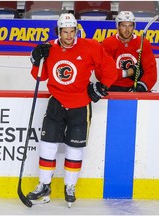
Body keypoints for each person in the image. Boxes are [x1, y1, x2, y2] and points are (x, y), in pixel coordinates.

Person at [26, 13, 117, 207]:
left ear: (76, 30)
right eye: (64, 31)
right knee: (47, 145)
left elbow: (110, 69)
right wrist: (36, 59)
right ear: (58, 31)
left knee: (75, 148)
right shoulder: (49, 48)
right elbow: (39, 77)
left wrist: (102, 86)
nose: (68, 36)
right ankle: (44, 184)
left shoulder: (91, 46)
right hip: (56, 102)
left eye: (72, 31)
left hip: (80, 104)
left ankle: (70, 186)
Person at [101, 11, 157, 92]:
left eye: (130, 26)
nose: (127, 30)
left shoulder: (142, 43)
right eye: (124, 26)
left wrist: (143, 85)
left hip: (135, 85)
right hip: (113, 86)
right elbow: (103, 72)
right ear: (118, 26)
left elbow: (151, 71)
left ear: (134, 26)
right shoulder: (108, 43)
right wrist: (128, 72)